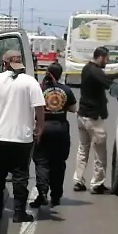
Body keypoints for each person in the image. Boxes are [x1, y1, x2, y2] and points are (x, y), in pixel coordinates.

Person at [0, 49, 45, 223]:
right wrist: (40, 127)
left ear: (4, 64)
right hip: (22, 139)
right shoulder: (30, 82)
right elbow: (39, 107)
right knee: (20, 177)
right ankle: (19, 213)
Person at [73, 46, 118, 194]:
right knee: (100, 152)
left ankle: (78, 180)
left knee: (83, 149)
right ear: (100, 57)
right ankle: (97, 184)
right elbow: (109, 84)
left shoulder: (88, 68)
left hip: (82, 116)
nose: (107, 61)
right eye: (106, 59)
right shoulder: (95, 71)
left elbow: (104, 77)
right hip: (93, 118)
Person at [32, 61, 77, 208]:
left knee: (41, 162)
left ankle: (42, 191)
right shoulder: (66, 89)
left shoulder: (40, 89)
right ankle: (56, 196)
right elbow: (73, 109)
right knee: (58, 164)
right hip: (61, 130)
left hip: (43, 129)